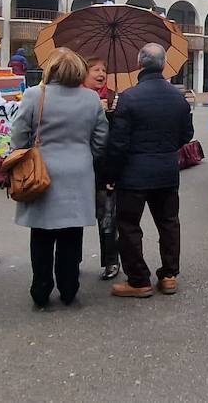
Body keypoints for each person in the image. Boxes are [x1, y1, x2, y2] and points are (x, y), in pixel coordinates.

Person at [12, 48, 109, 309]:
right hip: (78, 170)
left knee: (41, 235)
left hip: (42, 169)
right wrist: (85, 155)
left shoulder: (34, 95)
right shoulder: (91, 100)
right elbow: (101, 140)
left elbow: (19, 136)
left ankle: (41, 289)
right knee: (71, 233)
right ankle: (69, 288)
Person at [104, 44, 195, 297]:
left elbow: (118, 143)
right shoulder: (178, 97)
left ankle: (138, 279)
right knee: (168, 223)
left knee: (130, 225)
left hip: (134, 174)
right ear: (164, 65)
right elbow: (186, 134)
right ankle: (168, 275)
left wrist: (110, 175)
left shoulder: (129, 97)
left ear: (139, 63)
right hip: (167, 170)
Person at [82, 58, 120, 281]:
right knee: (73, 219)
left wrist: (110, 114)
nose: (101, 73)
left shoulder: (114, 97)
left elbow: (116, 137)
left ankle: (111, 261)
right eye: (95, 69)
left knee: (107, 218)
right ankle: (71, 259)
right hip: (79, 167)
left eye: (104, 70)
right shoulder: (76, 96)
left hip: (104, 169)